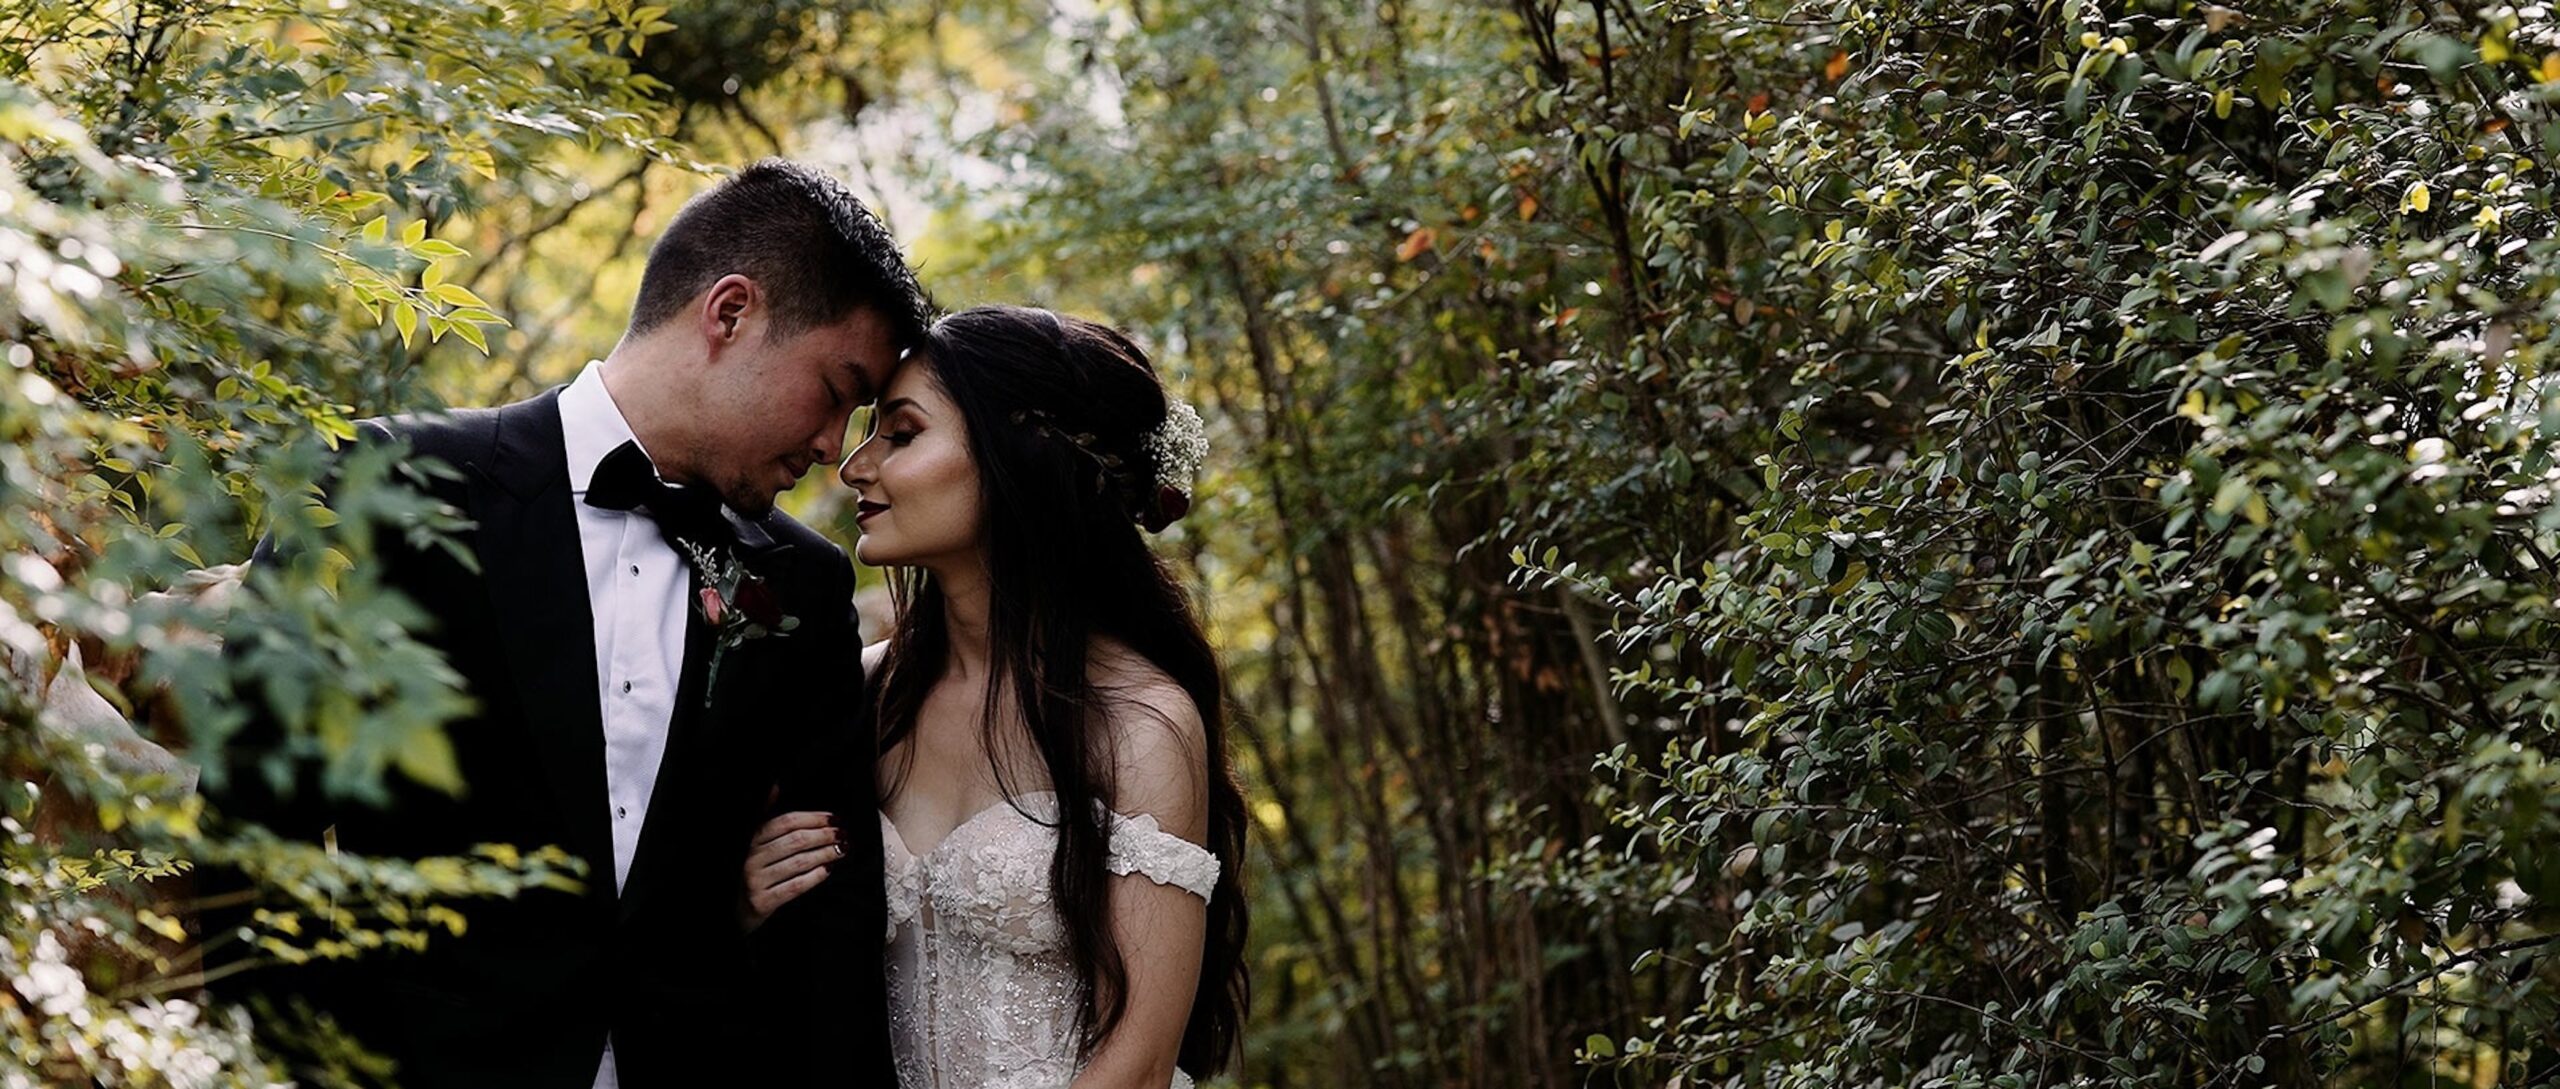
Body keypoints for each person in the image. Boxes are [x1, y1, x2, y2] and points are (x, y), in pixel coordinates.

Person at [207, 158, 927, 1089]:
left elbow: (831, 944)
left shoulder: (805, 586)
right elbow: (253, 846)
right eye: (836, 389)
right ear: (730, 312)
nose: (836, 446)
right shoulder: (378, 486)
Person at [743, 305, 1249, 1087]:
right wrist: (743, 906)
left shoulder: (1140, 724)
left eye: (902, 433)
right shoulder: (860, 692)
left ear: (1017, 456)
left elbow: (1141, 1063)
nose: (854, 465)